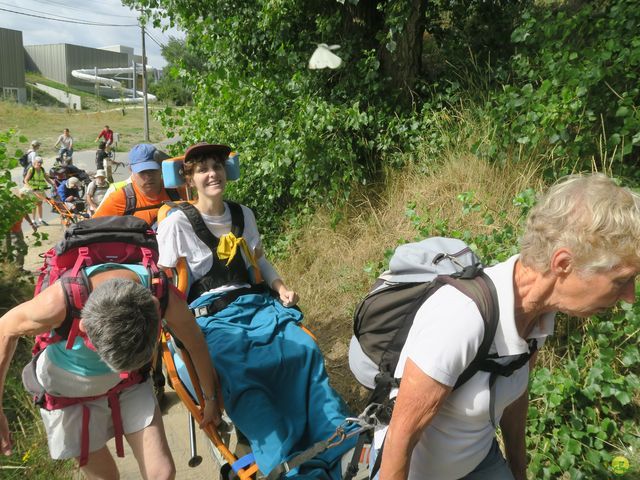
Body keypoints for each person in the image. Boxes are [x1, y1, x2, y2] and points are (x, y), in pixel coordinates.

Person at [373, 173, 640, 480]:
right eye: (621, 280)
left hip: (479, 462)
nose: (630, 297)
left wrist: (517, 472)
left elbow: (515, 398)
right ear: (563, 264)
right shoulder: (461, 318)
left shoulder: (538, 315)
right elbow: (400, 439)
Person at [156, 142, 356, 478]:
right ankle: (283, 457)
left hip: (255, 303)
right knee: (242, 370)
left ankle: (336, 438)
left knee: (304, 349)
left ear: (226, 171)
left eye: (217, 166)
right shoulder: (176, 224)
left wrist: (280, 287)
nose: (212, 174)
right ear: (189, 179)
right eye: (202, 169)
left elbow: (259, 260)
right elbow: (167, 286)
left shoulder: (242, 214)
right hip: (210, 316)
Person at [0, 263, 220, 479]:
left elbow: (195, 342)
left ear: (154, 307)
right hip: (65, 391)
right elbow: (5, 328)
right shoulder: (55, 303)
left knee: (162, 473)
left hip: (128, 384)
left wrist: (210, 399)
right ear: (83, 326)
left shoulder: (160, 293)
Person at [93, 143, 182, 227]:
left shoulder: (178, 191)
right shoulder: (120, 199)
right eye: (142, 172)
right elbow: (91, 230)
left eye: (153, 170)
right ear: (131, 169)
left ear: (161, 168)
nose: (148, 176)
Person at [23, 156, 56, 226]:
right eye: (38, 162)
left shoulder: (42, 170)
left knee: (40, 204)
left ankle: (40, 220)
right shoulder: (31, 170)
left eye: (41, 162)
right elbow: (25, 180)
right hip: (33, 190)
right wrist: (30, 187)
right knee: (34, 205)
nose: (40, 164)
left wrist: (53, 184)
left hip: (40, 190)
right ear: (34, 162)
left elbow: (47, 178)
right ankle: (33, 221)